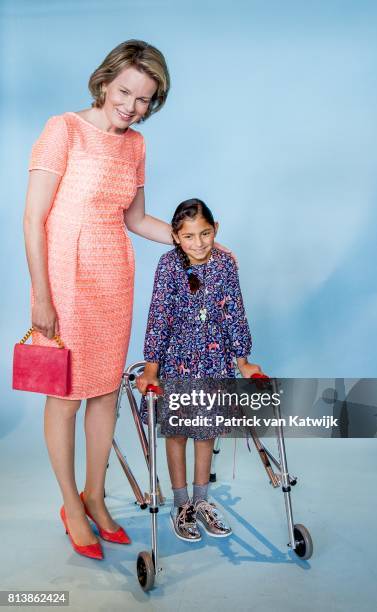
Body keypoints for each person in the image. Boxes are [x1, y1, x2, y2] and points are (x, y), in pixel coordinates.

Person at [23, 40, 233, 560]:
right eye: (125, 92)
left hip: (114, 277)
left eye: (144, 99)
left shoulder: (135, 145)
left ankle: (96, 495)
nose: (132, 106)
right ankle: (71, 503)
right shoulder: (63, 129)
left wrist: (191, 241)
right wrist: (41, 296)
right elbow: (33, 218)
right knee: (67, 396)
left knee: (104, 395)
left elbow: (136, 220)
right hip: (67, 280)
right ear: (104, 81)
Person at [136, 198, 262, 542]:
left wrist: (242, 360)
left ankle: (202, 502)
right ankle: (182, 505)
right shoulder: (168, 266)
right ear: (176, 236)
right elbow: (159, 318)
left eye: (205, 233)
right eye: (189, 236)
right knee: (177, 433)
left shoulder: (224, 265)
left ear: (215, 230)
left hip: (214, 361)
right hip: (177, 360)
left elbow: (235, 313)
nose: (199, 242)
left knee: (206, 432)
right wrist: (151, 367)